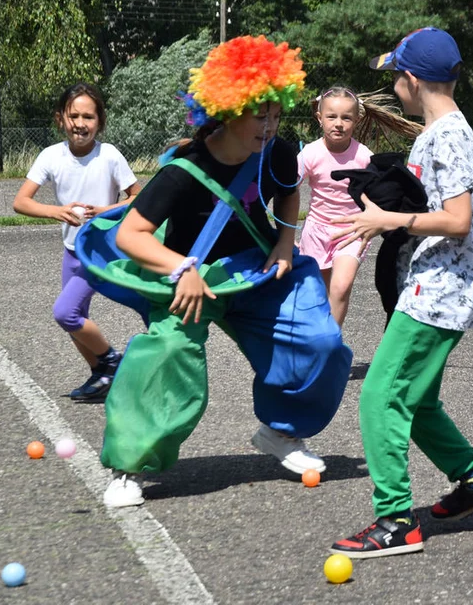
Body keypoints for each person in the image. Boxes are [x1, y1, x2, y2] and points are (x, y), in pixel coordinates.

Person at [95, 35, 352, 508]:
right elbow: (130, 235)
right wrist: (182, 268)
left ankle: (280, 433)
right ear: (230, 109)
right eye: (260, 113)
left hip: (253, 272)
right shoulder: (184, 170)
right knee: (165, 352)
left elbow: (290, 189)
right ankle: (129, 466)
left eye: (276, 113)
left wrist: (284, 242)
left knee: (320, 340)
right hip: (192, 280)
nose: (270, 124)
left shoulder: (274, 150)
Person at [327, 27, 473, 559]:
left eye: (395, 76)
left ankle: (394, 520)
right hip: (435, 284)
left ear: (411, 80)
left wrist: (392, 219)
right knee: (415, 398)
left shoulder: (449, 134)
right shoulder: (439, 131)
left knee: (379, 397)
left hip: (439, 289)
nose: (395, 85)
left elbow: (457, 219)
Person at [13, 82, 140, 401]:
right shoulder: (50, 156)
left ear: (100, 121)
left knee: (65, 313)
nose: (80, 123)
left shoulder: (109, 156)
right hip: (71, 251)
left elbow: (139, 197)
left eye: (88, 116)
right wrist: (56, 211)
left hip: (99, 253)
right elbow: (22, 202)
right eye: (74, 116)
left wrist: (105, 211)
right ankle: (102, 377)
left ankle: (112, 361)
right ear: (60, 119)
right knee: (75, 319)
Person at [298, 86, 421, 327]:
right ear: (319, 117)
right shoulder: (309, 154)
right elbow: (286, 190)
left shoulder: (364, 156)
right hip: (316, 232)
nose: (339, 123)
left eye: (346, 117)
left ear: (357, 119)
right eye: (331, 116)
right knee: (318, 294)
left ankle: (331, 346)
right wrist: (285, 232)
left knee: (341, 287)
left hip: (353, 231)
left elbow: (382, 192)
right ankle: (318, 343)